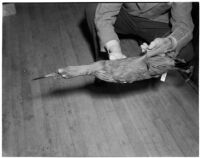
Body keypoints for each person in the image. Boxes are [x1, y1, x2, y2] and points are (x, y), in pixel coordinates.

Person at [85, 3, 194, 63]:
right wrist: (113, 47)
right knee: (93, 9)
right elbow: (105, 14)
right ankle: (102, 61)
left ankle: (150, 67)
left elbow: (184, 25)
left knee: (186, 51)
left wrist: (170, 42)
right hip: (124, 14)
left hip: (155, 22)